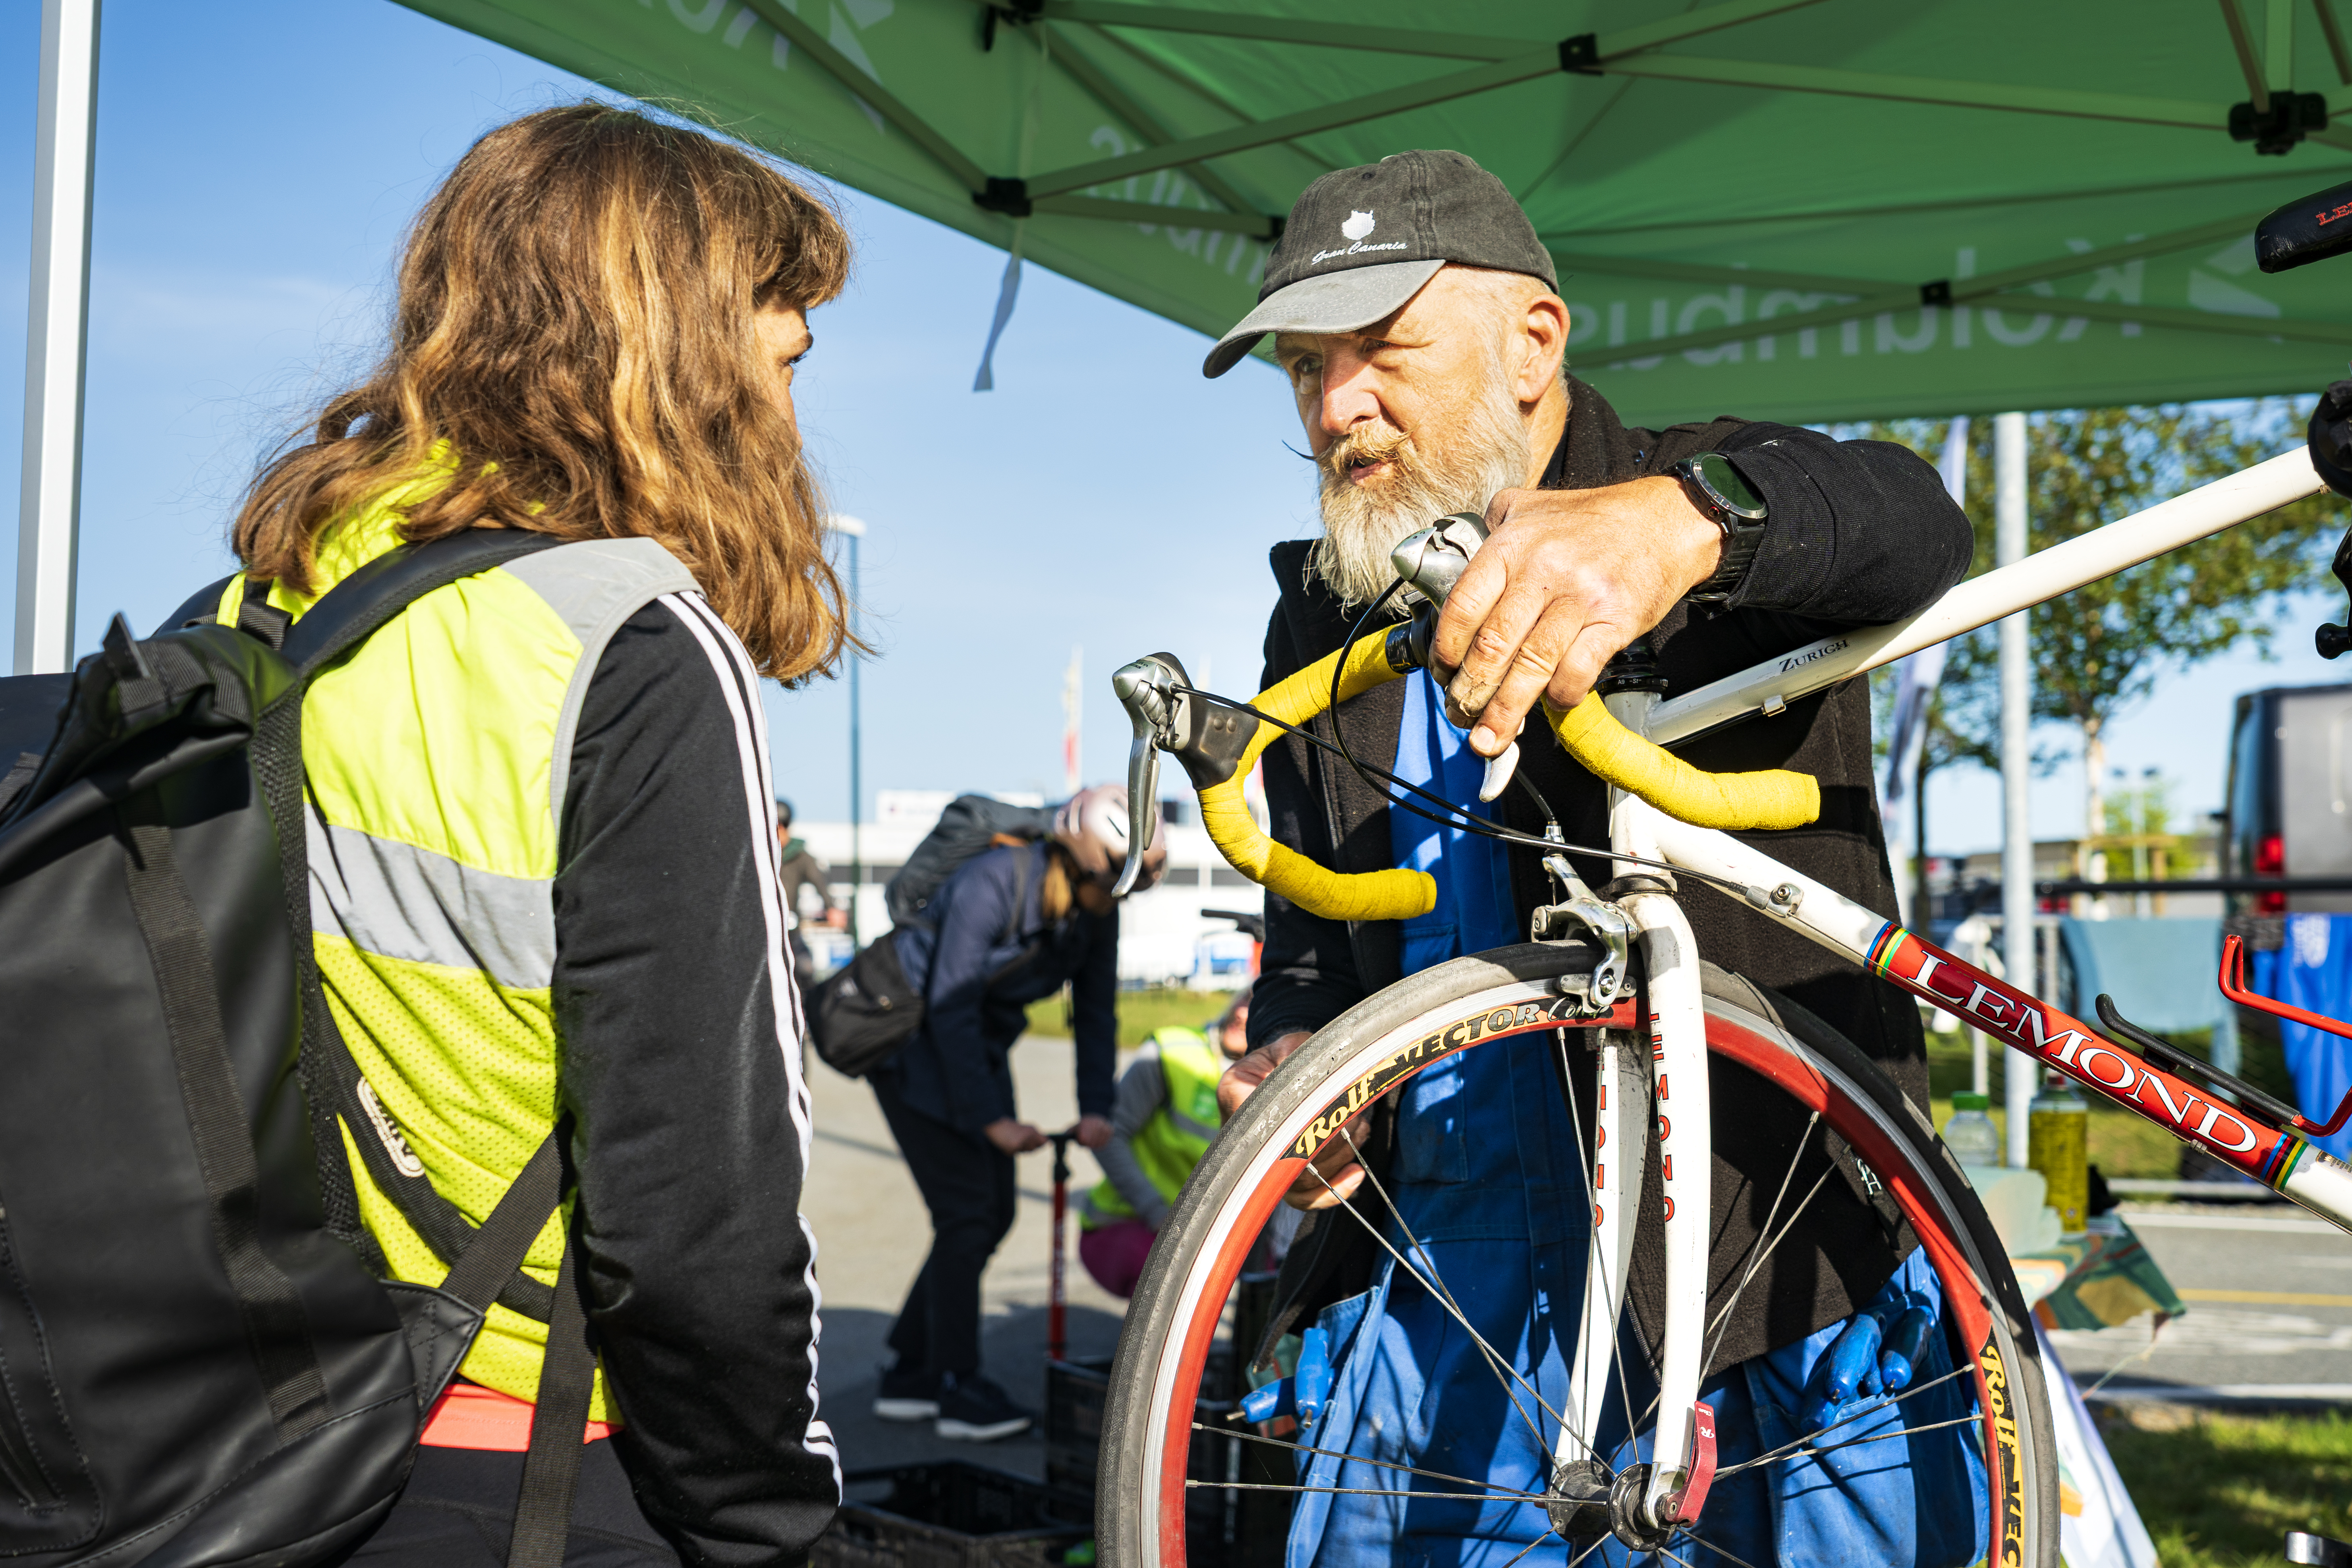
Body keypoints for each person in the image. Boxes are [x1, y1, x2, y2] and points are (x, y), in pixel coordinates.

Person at [1207, 152, 1982, 1565]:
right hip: (1435, 1295)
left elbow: (1913, 515)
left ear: (1532, 343)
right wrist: (1289, 1046)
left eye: (1381, 351)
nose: (1335, 408)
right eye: (1305, 369)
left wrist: (1687, 524)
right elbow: (1309, 941)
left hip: (1750, 1281)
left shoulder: (1693, 507)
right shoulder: (1319, 623)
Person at [218, 105, 850, 1565]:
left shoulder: (267, 604)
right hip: (517, 1462)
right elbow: (697, 1218)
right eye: (786, 355)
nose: (798, 417)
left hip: (234, 1441)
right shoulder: (616, 641)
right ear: (683, 351)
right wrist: (772, 1528)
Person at [868, 785, 1166, 1441]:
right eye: (1112, 885)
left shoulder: (1094, 915)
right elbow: (949, 1004)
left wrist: (1096, 1110)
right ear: (1080, 860)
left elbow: (1095, 1014)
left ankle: (908, 1370)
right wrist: (991, 1120)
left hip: (974, 1048)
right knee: (968, 1210)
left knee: (988, 1210)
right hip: (912, 1044)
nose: (1117, 903)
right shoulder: (993, 880)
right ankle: (954, 1385)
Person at [1077, 985, 1252, 1298]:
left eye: (1258, 1005)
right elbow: (1108, 1136)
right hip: (1131, 1224)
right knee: (1176, 1279)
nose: (1242, 1012)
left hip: (1206, 1235)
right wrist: (1158, 1213)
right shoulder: (1172, 1051)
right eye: (1244, 998)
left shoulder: (1279, 1078)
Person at [775, 796, 847, 994]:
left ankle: (807, 1017)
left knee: (805, 969)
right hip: (763, 927)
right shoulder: (763, 853)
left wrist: (832, 907)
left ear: (784, 827)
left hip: (791, 928)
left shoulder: (799, 856)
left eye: (779, 829)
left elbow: (819, 881)